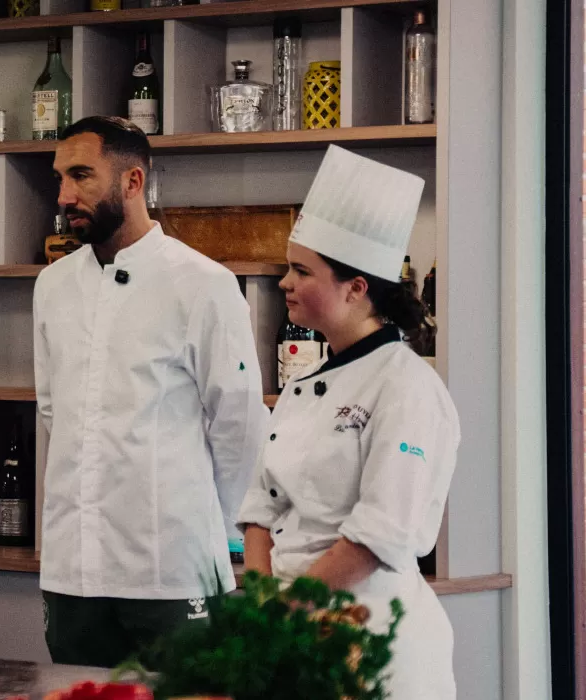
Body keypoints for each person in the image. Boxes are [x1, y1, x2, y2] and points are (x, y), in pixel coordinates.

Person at [33, 116, 267, 667]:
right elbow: (53, 411)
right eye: (60, 177)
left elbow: (238, 424)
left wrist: (211, 525)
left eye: (82, 176)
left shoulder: (204, 284)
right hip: (73, 569)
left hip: (172, 568)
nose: (64, 195)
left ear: (133, 182)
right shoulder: (52, 286)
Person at [237, 146, 454, 698]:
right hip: (291, 628)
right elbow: (262, 507)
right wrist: (265, 603)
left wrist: (288, 609)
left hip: (372, 632)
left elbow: (380, 535)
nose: (284, 281)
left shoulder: (407, 387)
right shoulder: (303, 384)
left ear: (356, 288)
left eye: (301, 270)